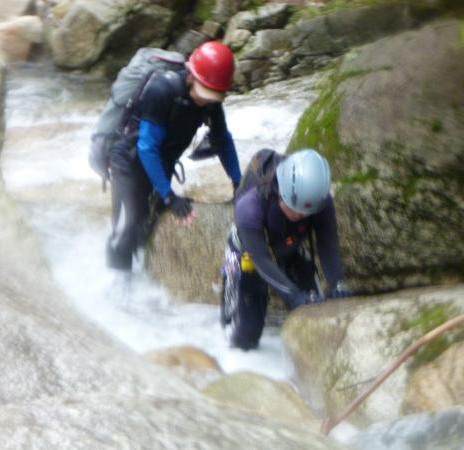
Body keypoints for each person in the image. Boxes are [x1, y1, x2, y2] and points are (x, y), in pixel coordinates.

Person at [106, 41, 242, 271]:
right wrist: (169, 196)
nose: (206, 101)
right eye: (204, 94)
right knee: (129, 224)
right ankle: (117, 283)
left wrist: (238, 181)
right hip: (128, 162)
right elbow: (146, 148)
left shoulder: (211, 104)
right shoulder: (163, 91)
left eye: (213, 96)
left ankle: (144, 270)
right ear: (191, 76)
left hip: (161, 161)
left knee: (150, 219)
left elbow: (223, 141)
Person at [221, 148, 350, 350]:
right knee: (245, 339)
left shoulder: (321, 201)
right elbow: (261, 260)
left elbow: (328, 244)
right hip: (250, 250)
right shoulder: (249, 206)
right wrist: (292, 295)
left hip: (289, 244)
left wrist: (338, 283)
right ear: (281, 193)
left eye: (307, 213)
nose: (301, 216)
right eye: (296, 210)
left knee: (314, 316)